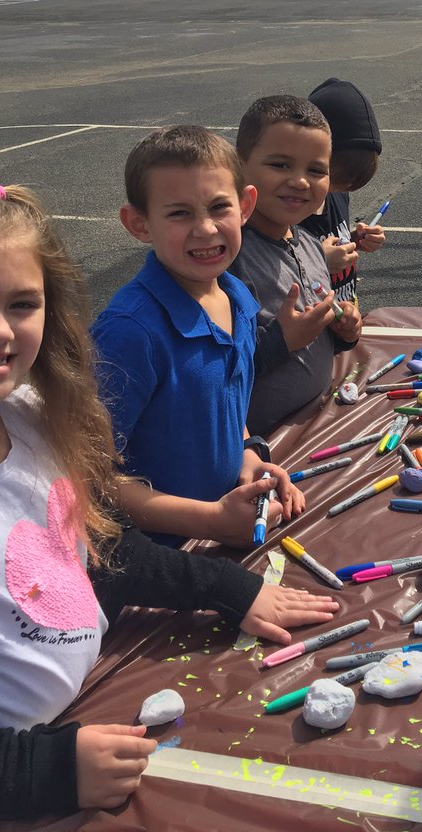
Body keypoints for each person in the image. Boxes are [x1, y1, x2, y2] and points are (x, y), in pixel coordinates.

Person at [0, 183, 338, 820]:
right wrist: (36, 771)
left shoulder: (28, 414)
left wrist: (228, 589)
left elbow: (96, 549)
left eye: (22, 303)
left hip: (90, 693)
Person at [92, 126, 304, 546]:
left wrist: (247, 454)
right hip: (153, 563)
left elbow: (225, 406)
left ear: (245, 206)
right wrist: (211, 521)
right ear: (139, 223)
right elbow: (91, 477)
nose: (206, 229)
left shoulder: (237, 295)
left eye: (218, 207)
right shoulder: (129, 334)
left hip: (222, 530)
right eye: (179, 213)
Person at [233, 95, 362, 439]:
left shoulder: (308, 244)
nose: (301, 181)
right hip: (259, 446)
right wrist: (282, 342)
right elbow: (213, 371)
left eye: (316, 170)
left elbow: (314, 336)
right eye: (280, 165)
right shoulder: (229, 255)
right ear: (240, 165)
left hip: (314, 422)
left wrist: (344, 332)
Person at [301, 77, 385, 307]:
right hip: (312, 327)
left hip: (343, 316)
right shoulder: (290, 207)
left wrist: (354, 240)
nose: (335, 192)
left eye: (346, 188)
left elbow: (329, 237)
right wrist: (319, 263)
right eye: (333, 182)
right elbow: (274, 273)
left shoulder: (336, 193)